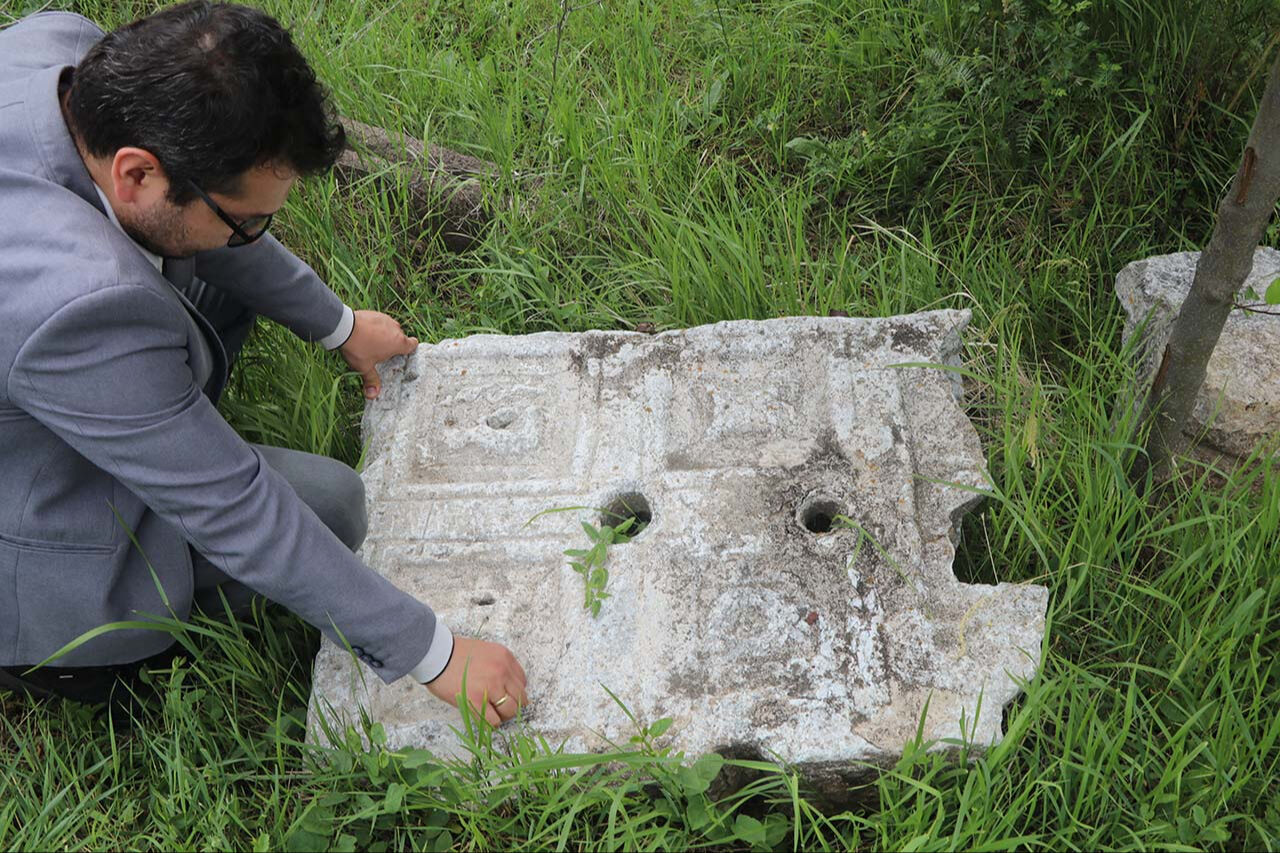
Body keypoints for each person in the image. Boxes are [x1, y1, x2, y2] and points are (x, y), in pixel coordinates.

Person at [0, 1, 526, 726]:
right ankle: (59, 658)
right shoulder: (75, 304)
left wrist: (339, 326)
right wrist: (433, 653)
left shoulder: (57, 51)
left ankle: (150, 412)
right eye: (245, 220)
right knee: (331, 506)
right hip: (18, 531)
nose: (253, 236)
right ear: (136, 175)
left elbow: (210, 237)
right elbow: (236, 508)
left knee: (201, 268)